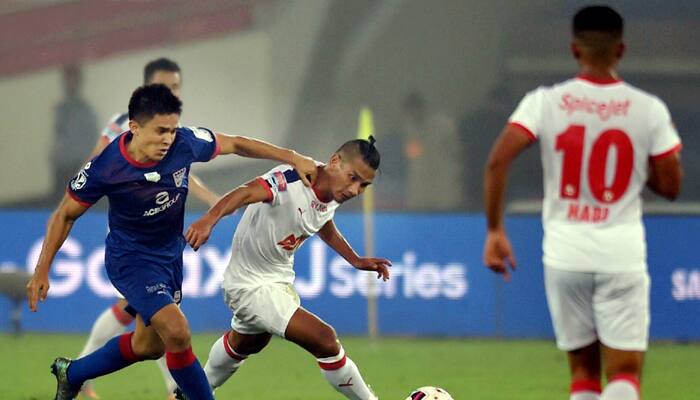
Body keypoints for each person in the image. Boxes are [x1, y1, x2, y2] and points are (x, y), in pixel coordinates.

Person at [26, 84, 319, 400]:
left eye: (172, 129)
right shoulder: (107, 167)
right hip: (131, 260)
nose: (167, 138)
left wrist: (292, 157)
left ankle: (72, 374)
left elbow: (235, 144)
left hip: (168, 258)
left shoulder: (185, 142)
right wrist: (42, 270)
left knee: (148, 346)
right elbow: (64, 215)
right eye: (160, 131)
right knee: (178, 331)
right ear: (134, 128)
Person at [483, 6, 682, 400]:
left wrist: (494, 230)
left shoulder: (545, 102)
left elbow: (497, 160)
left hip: (564, 254)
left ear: (575, 49)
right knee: (625, 375)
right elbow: (670, 185)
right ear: (621, 49)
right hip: (620, 253)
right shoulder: (648, 109)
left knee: (584, 378)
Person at [179, 137, 391, 399]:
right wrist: (208, 220)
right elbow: (245, 192)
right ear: (335, 162)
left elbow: (322, 220)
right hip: (249, 284)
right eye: (353, 178)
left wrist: (355, 259)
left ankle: (185, 394)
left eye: (364, 185)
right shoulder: (292, 180)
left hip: (277, 280)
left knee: (247, 342)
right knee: (325, 339)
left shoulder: (333, 192)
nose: (355, 189)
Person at [76, 57, 218, 400]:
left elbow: (181, 172)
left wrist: (212, 198)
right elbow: (96, 165)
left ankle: (79, 374)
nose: (173, 92)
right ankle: (172, 387)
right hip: (131, 231)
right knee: (159, 317)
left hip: (157, 234)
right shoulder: (125, 124)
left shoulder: (168, 130)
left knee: (147, 321)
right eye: (166, 86)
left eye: (176, 86)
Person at [52, 64, 98, 203]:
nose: (70, 84)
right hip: (63, 167)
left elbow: (92, 137)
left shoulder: (86, 110)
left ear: (78, 82)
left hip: (79, 165)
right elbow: (58, 137)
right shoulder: (61, 109)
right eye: (68, 80)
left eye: (73, 80)